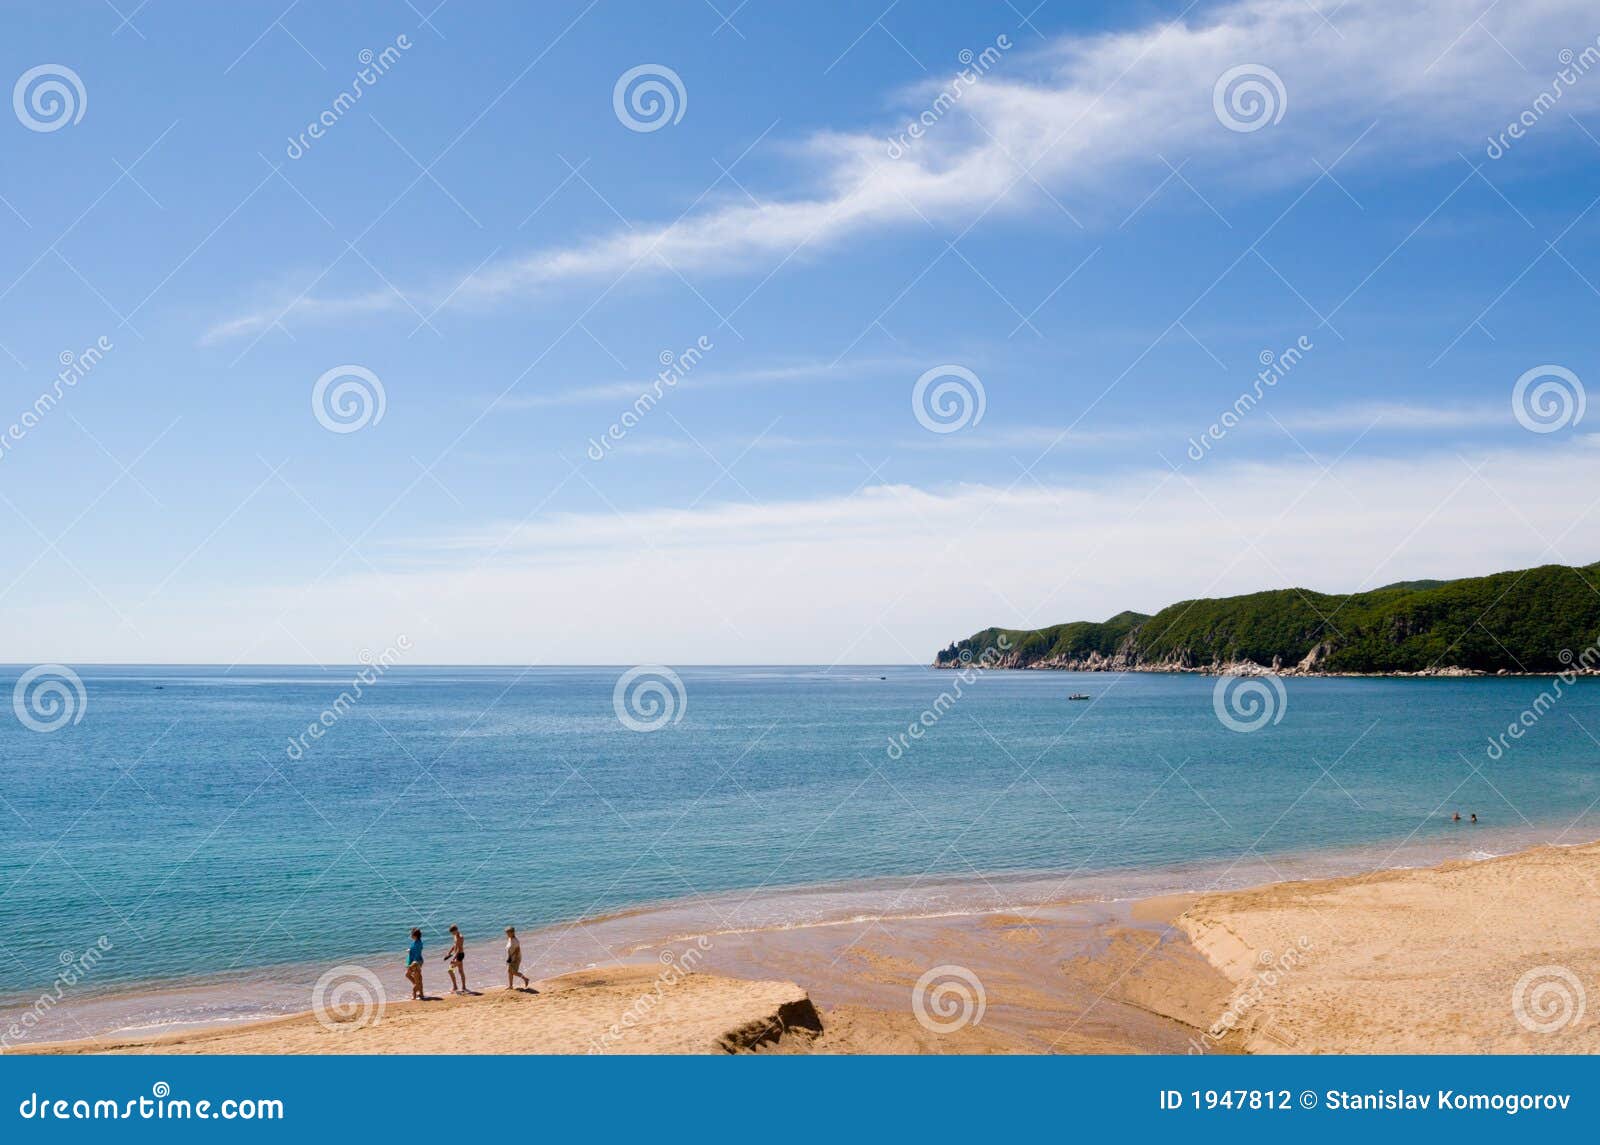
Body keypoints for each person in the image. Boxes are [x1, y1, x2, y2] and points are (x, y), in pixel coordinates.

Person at [444, 924, 467, 994]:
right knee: (460, 971)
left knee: (450, 970)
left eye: (453, 932)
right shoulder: (455, 936)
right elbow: (454, 946)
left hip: (460, 955)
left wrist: (453, 958)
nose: (452, 934)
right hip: (457, 955)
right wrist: (449, 953)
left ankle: (455, 986)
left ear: (456, 930)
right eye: (452, 933)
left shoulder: (460, 937)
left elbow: (458, 949)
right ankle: (464, 987)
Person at [406, 928, 424, 1000]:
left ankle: (415, 995)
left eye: (411, 934)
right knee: (408, 975)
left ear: (415, 935)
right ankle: (420, 991)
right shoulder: (416, 942)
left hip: (416, 963)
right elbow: (415, 950)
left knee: (417, 979)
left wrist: (412, 965)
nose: (410, 935)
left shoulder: (418, 944)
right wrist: (410, 950)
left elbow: (417, 954)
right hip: (413, 961)